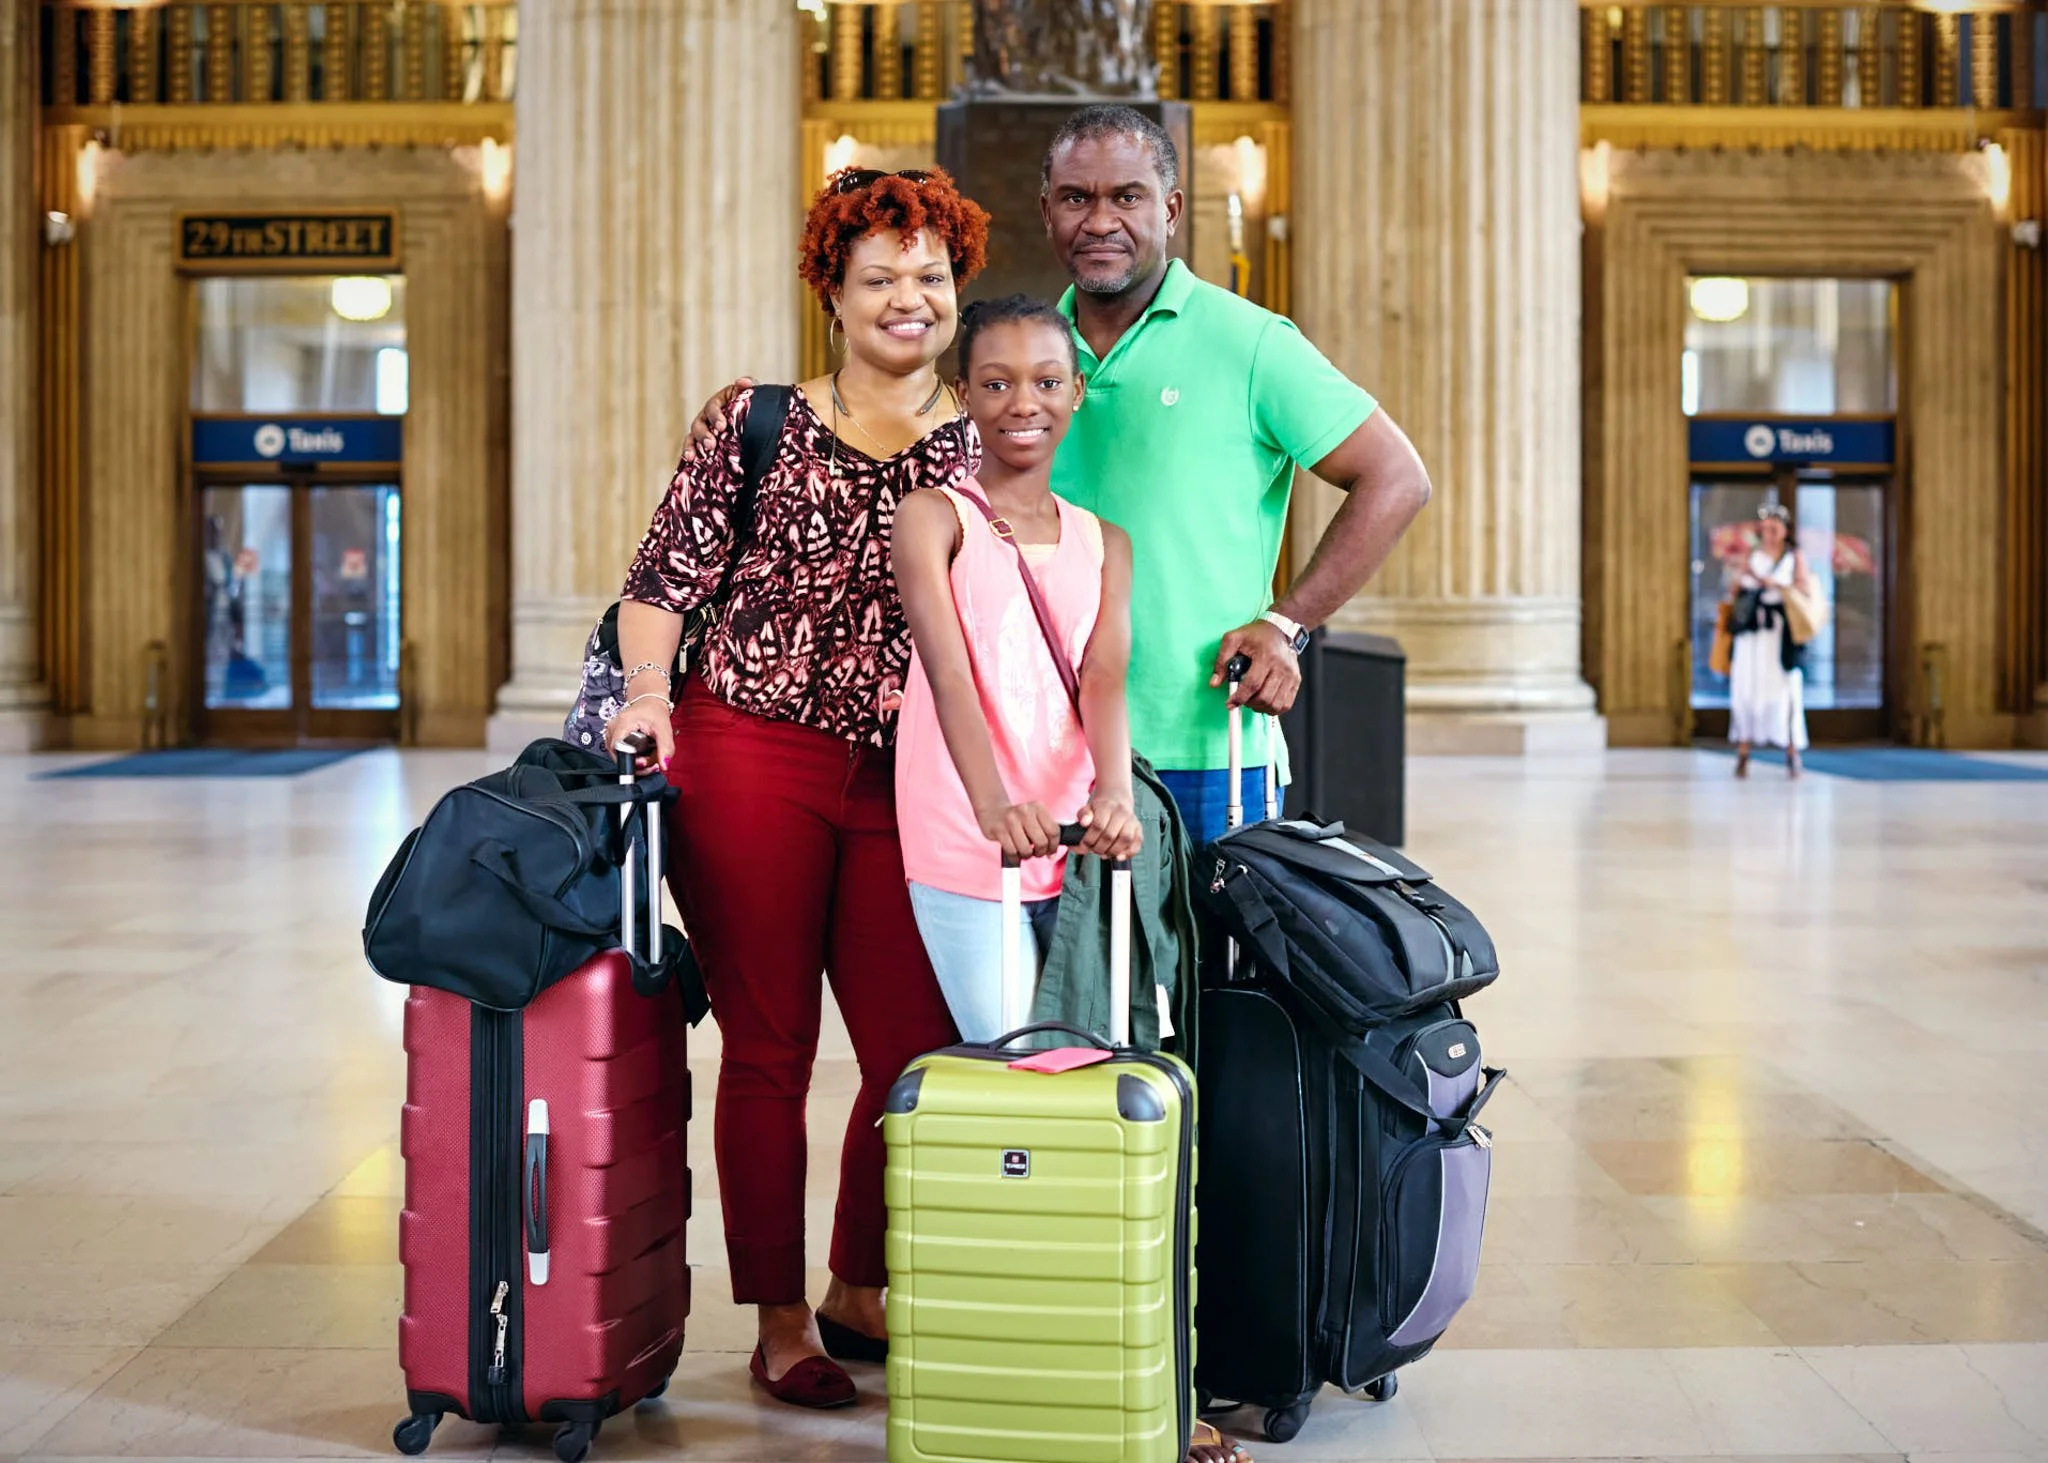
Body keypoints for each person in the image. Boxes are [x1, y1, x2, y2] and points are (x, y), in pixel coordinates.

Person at [687, 105, 1431, 847]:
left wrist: (1285, 624)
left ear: (1171, 209)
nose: (1099, 219)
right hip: (1035, 754)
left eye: (1126, 197)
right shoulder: (1021, 359)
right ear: (1048, 213)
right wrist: (751, 410)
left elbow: (1396, 477)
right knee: (1055, 971)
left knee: (1199, 970)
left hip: (1205, 746)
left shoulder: (1254, 343)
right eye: (1077, 198)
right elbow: (891, 428)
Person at [603, 167, 988, 1410]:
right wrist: (651, 695)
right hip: (751, 749)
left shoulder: (984, 438)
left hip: (916, 771)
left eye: (928, 276)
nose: (907, 298)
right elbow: (662, 577)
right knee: (771, 1046)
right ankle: (777, 1318)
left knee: (913, 1043)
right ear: (832, 290)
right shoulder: (751, 417)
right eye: (879, 276)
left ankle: (856, 1280)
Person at [892, 294, 1143, 1041]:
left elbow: (1101, 679)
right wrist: (992, 806)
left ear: (1076, 390)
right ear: (963, 394)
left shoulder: (1106, 543)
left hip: (1074, 841)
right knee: (1013, 1062)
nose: (1022, 403)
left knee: (1083, 1067)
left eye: (1046, 381)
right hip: (967, 837)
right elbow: (950, 675)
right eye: (997, 384)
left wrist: (1117, 793)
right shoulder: (934, 517)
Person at [1728, 501, 1816, 778]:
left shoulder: (1794, 557)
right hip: (1753, 632)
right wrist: (1746, 581)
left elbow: (1805, 589)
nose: (1770, 534)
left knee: (1784, 688)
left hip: (1780, 631)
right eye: (1765, 529)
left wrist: (1776, 585)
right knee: (1747, 686)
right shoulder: (1751, 556)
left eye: (1775, 529)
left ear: (1785, 531)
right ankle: (1744, 748)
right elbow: (1735, 589)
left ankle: (1791, 750)